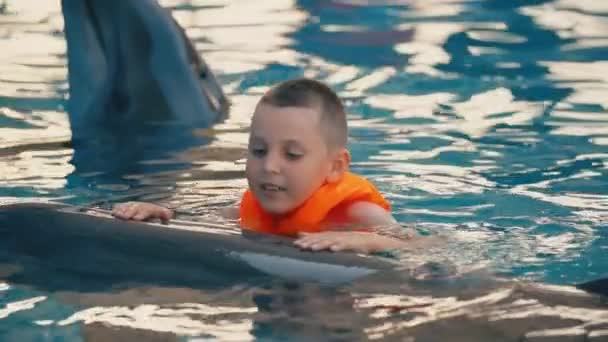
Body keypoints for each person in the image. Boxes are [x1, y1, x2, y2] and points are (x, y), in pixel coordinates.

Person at [113, 78, 416, 253]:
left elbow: (421, 245)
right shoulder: (248, 208)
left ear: (335, 167)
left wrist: (363, 240)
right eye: (258, 150)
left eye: (292, 155)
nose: (269, 165)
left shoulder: (355, 213)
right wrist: (164, 214)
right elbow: (203, 221)